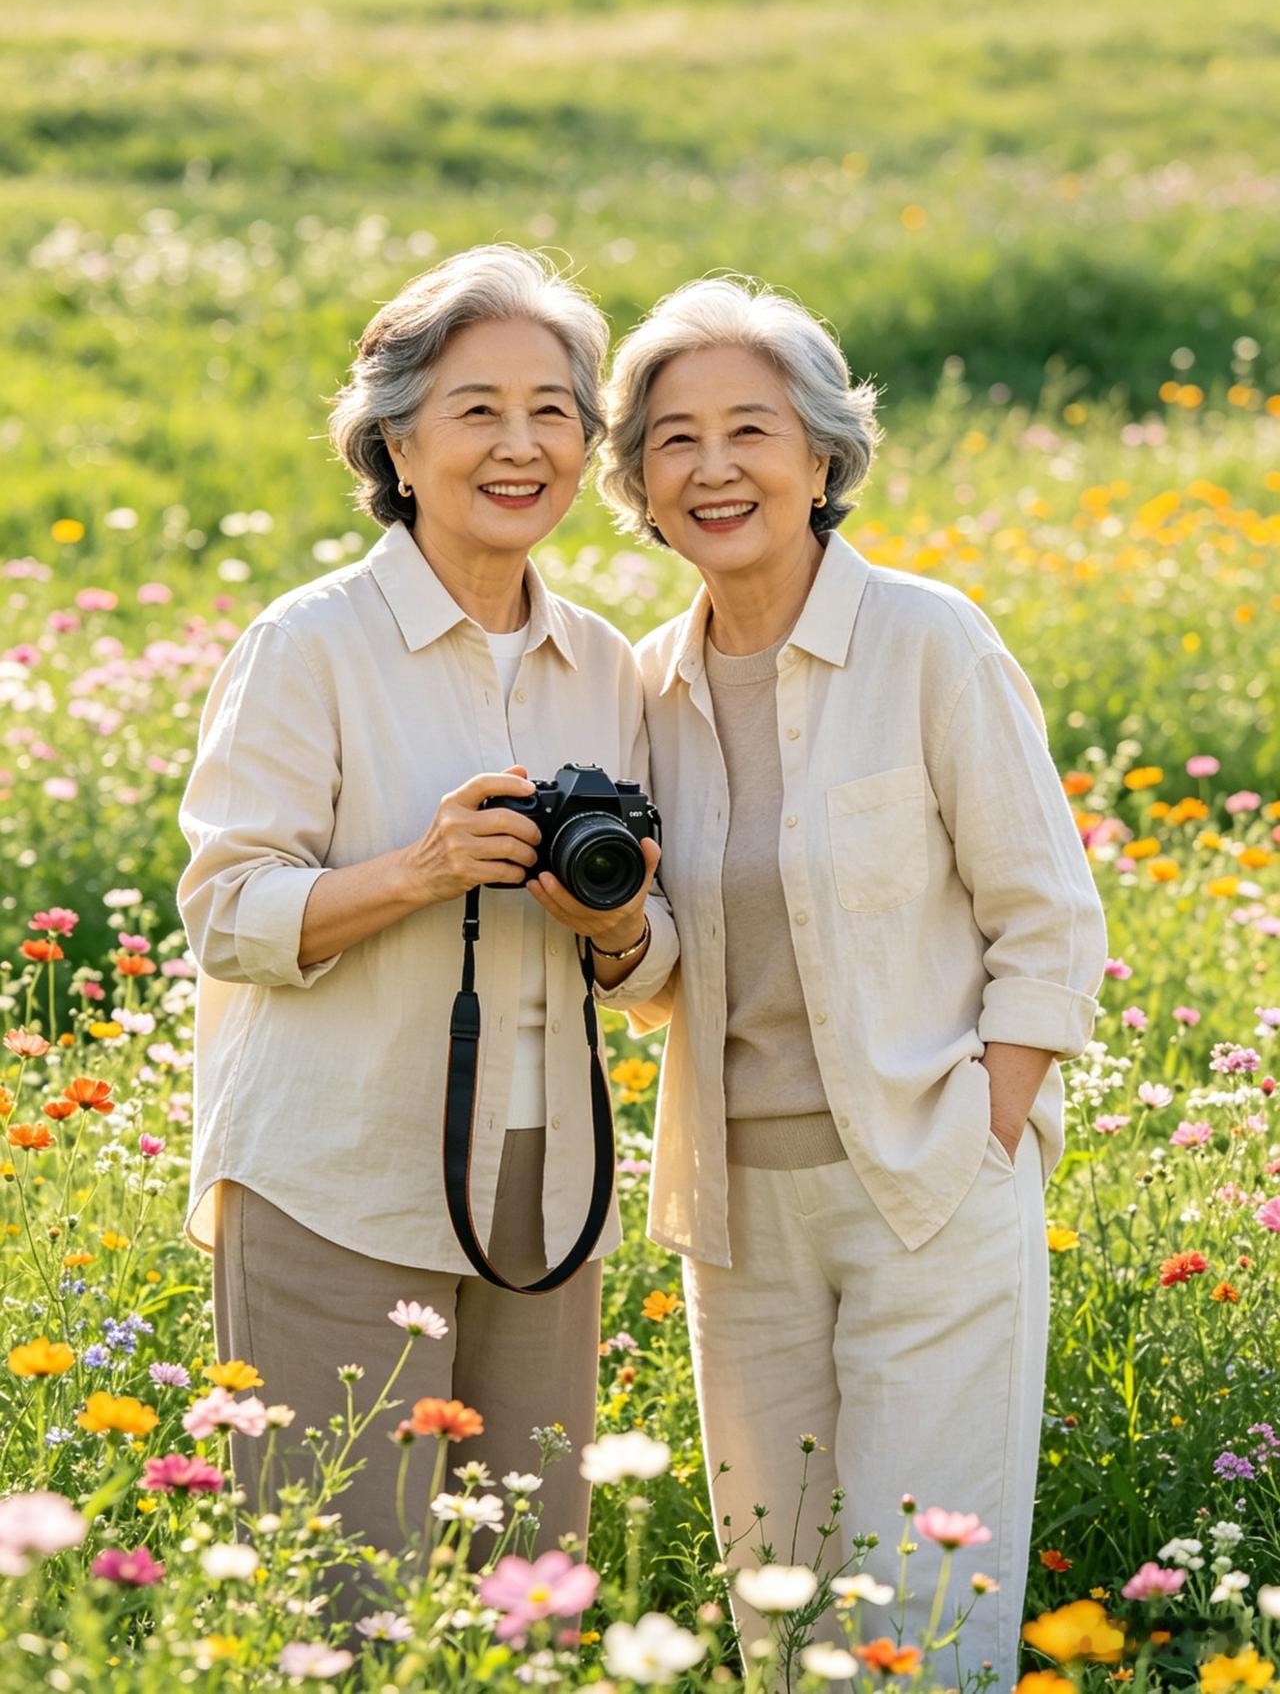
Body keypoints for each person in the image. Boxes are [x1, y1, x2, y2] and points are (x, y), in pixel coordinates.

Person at [597, 275, 1107, 1686]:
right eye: (674, 439)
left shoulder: (931, 640)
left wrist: (985, 1133)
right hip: (736, 1215)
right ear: (638, 483)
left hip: (926, 1185)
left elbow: (1048, 918)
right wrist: (612, 932)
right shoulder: (645, 689)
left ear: (822, 457)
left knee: (925, 1617)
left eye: (749, 429)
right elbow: (660, 969)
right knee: (784, 1614)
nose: (713, 468)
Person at [177, 246, 676, 1607]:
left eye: (555, 410)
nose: (522, 445)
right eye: (477, 410)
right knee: (344, 1594)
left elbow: (648, 954)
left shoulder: (607, 664)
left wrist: (611, 924)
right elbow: (225, 911)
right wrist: (421, 870)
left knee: (531, 1588)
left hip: (545, 1180)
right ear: (397, 441)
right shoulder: (310, 644)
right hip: (334, 1171)